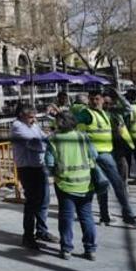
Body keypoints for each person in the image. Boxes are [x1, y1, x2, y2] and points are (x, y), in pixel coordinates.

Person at [76, 90, 136, 230]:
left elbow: (127, 109)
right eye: (91, 99)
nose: (94, 101)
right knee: (115, 185)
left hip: (108, 153)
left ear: (102, 100)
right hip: (98, 155)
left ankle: (105, 216)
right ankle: (127, 216)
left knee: (103, 185)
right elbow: (78, 129)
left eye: (97, 98)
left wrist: (117, 94)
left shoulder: (105, 113)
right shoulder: (86, 114)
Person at [45, 111, 99, 260]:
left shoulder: (54, 139)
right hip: (86, 183)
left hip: (65, 184)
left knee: (66, 217)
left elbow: (49, 163)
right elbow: (94, 155)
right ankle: (90, 250)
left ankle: (66, 249)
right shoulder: (83, 136)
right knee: (86, 216)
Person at [10, 103, 53, 249]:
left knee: (44, 200)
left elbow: (43, 137)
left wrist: (47, 139)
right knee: (32, 202)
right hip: (27, 168)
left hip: (39, 166)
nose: (33, 120)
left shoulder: (33, 125)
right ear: (22, 115)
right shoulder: (17, 127)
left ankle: (42, 230)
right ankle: (28, 236)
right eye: (30, 117)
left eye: (34, 117)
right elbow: (36, 145)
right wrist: (49, 142)